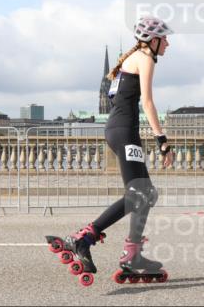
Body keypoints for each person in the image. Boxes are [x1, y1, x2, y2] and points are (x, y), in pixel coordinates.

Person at [45, 16, 175, 286]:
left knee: (146, 193)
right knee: (139, 193)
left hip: (118, 130)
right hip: (124, 132)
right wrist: (163, 141)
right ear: (153, 40)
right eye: (165, 39)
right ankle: (83, 238)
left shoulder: (129, 61)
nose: (168, 44)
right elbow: (148, 103)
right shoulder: (144, 58)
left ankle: (133, 254)